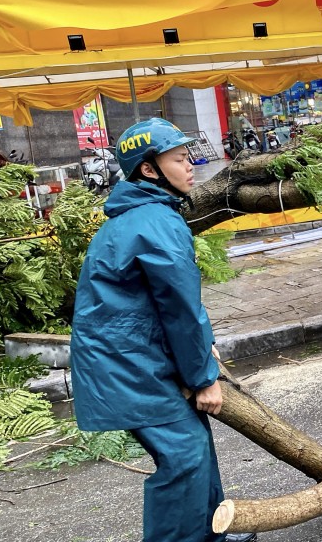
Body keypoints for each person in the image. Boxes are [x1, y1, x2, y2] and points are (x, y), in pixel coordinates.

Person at [69, 118, 256, 542]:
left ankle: (210, 534)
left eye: (188, 155)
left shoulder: (143, 216)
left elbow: (169, 308)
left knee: (194, 443)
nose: (191, 165)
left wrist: (200, 354)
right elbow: (181, 310)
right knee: (184, 456)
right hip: (128, 364)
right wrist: (202, 378)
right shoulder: (155, 222)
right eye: (178, 158)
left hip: (136, 354)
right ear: (149, 170)